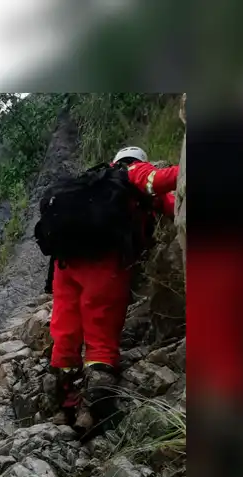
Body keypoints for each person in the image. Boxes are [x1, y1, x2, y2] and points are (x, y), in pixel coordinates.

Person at [48, 146, 179, 431]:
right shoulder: (131, 173)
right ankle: (92, 414)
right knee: (100, 337)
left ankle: (64, 408)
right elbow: (161, 185)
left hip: (66, 265)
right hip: (104, 265)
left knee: (65, 333)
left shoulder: (92, 179)